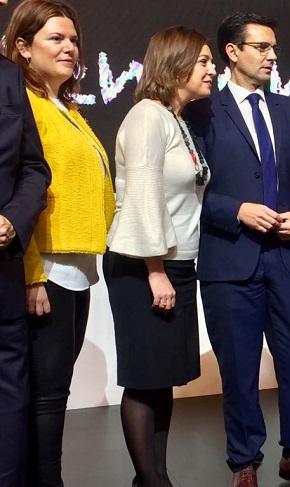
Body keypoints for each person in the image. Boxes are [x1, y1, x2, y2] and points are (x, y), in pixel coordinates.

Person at [184, 12, 290, 487]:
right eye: (261, 47)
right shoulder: (201, 111)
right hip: (230, 256)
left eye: (274, 48)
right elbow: (188, 193)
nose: (272, 56)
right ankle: (244, 461)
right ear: (232, 52)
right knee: (240, 367)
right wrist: (236, 211)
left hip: (289, 258)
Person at [3, 1, 115, 484]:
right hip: (43, 268)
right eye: (56, 39)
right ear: (23, 47)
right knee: (45, 395)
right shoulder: (22, 104)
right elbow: (22, 192)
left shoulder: (65, 106)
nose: (70, 47)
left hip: (76, 265)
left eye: (73, 40)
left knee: (53, 391)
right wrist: (30, 276)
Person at [103, 26, 215, 486]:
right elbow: (143, 195)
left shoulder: (176, 118)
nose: (212, 70)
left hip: (174, 265)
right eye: (203, 61)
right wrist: (155, 270)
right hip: (146, 265)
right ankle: (149, 480)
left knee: (162, 378)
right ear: (175, 64)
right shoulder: (147, 115)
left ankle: (157, 476)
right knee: (144, 377)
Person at [0, 1, 50, 485]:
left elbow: (35, 168)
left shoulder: (9, 79)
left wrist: (13, 219)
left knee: (11, 393)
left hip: (3, 268)